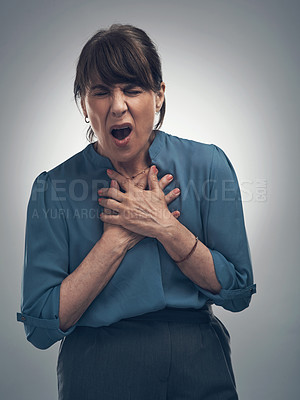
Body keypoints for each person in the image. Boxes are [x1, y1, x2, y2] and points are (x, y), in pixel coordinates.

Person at [17, 24, 256, 400]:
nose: (117, 105)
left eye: (132, 89)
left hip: (200, 367)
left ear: (159, 95)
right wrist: (116, 240)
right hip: (97, 372)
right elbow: (41, 326)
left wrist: (166, 228)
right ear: (84, 104)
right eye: (100, 92)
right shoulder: (53, 189)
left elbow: (238, 292)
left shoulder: (208, 166)